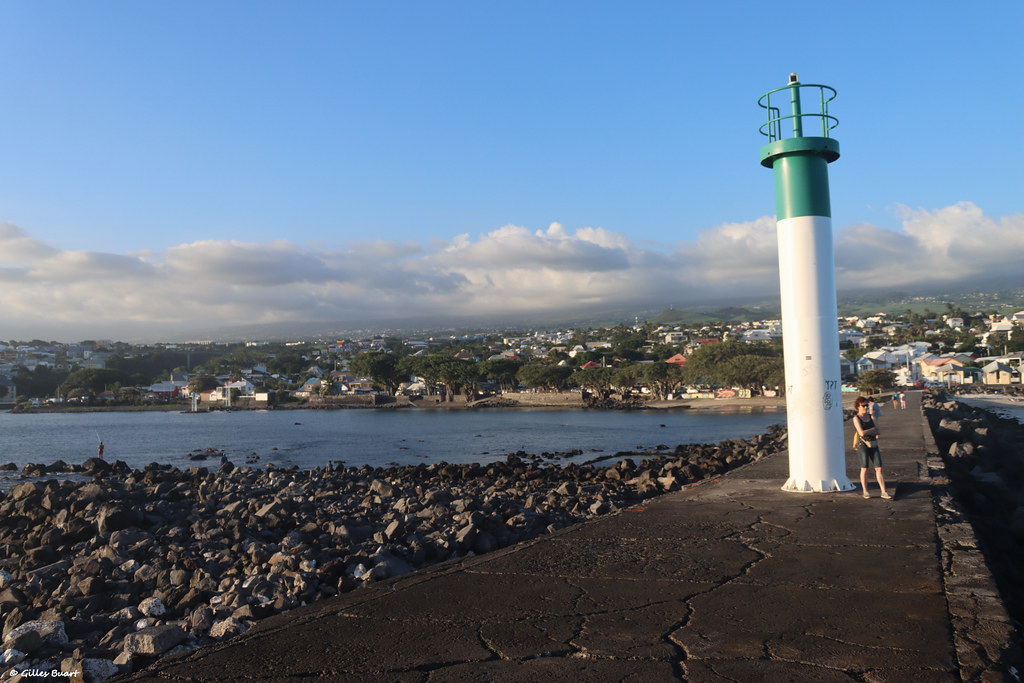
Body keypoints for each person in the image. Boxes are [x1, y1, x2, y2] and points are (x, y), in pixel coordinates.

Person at [853, 396, 891, 499]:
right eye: (863, 405)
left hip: (873, 444)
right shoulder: (856, 418)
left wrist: (868, 431)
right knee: (864, 468)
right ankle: (865, 491)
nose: (866, 407)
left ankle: (883, 491)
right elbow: (861, 433)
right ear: (858, 407)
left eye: (867, 405)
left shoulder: (871, 417)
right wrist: (872, 429)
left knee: (879, 468)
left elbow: (878, 431)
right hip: (862, 445)